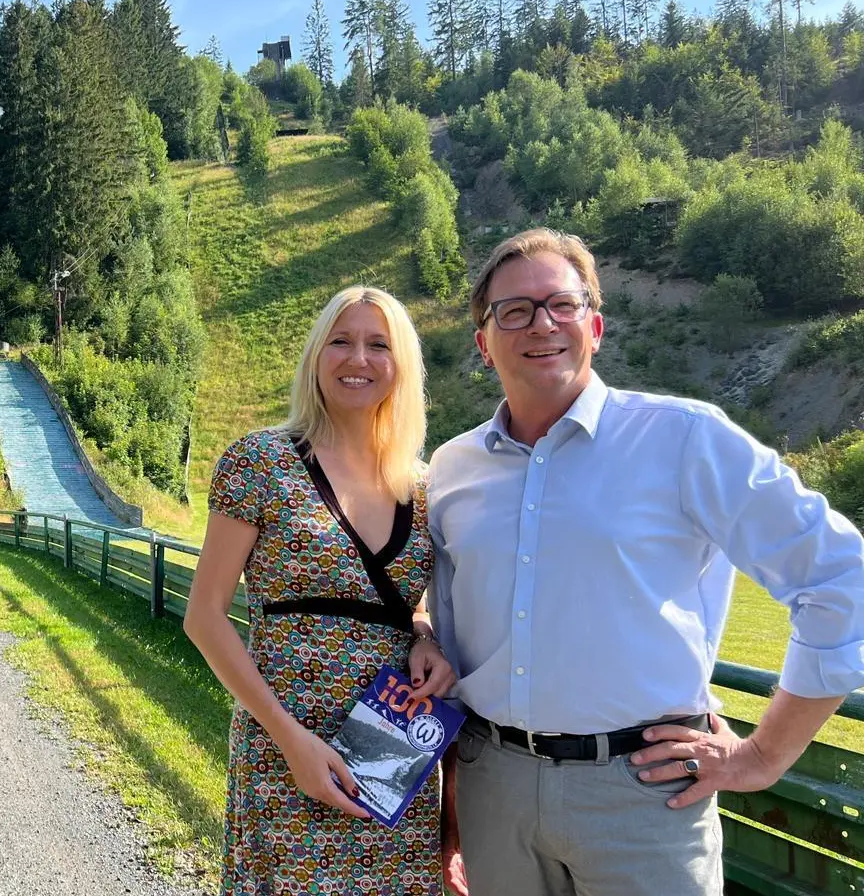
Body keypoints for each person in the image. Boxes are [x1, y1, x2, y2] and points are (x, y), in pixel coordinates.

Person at [428, 228, 864, 896]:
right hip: (494, 788)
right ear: (484, 344)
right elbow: (449, 620)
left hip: (643, 794)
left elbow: (840, 575)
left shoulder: (685, 438)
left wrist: (763, 754)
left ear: (595, 327)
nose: (541, 324)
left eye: (562, 305)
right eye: (513, 310)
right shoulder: (453, 468)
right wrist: (454, 795)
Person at [185, 285, 456, 895]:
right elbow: (204, 616)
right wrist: (290, 741)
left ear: (402, 365)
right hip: (288, 750)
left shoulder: (423, 487)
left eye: (378, 345)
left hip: (394, 758)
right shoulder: (260, 462)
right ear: (316, 355)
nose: (358, 358)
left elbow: (408, 602)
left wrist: (424, 638)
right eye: (341, 341)